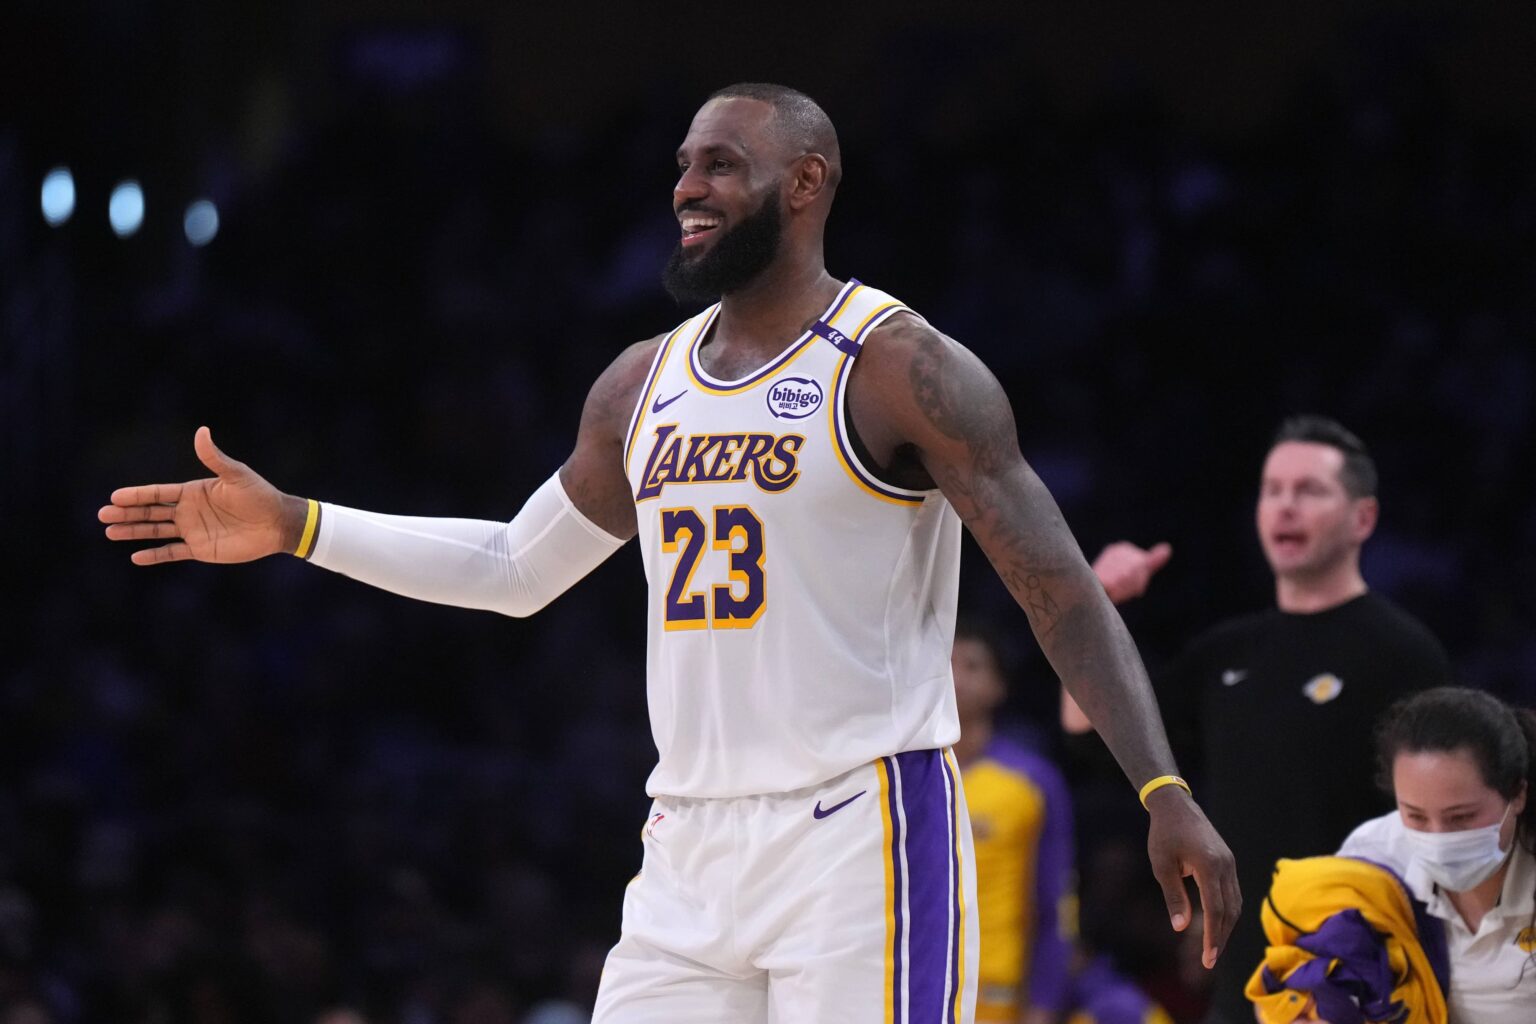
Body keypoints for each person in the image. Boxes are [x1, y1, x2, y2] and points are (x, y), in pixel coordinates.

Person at [100, 82, 1237, 1023]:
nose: (687, 188)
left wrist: (1162, 784)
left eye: (721, 166)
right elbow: (512, 569)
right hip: (688, 841)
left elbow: (1058, 589)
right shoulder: (641, 381)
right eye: (685, 165)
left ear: (807, 183)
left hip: (861, 834)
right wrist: (300, 523)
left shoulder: (899, 365)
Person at [1063, 415, 1453, 1024]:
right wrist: (1093, 606)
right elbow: (1095, 737)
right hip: (1243, 985)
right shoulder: (1226, 652)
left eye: (1309, 490)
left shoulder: (1403, 653)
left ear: (1364, 519)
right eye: (1272, 490)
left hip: (1357, 984)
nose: (1285, 507)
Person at [1253, 686, 1536, 1023]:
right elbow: (1282, 989)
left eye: (1461, 817)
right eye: (1415, 816)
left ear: (1517, 795)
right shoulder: (1373, 858)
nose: (1438, 836)